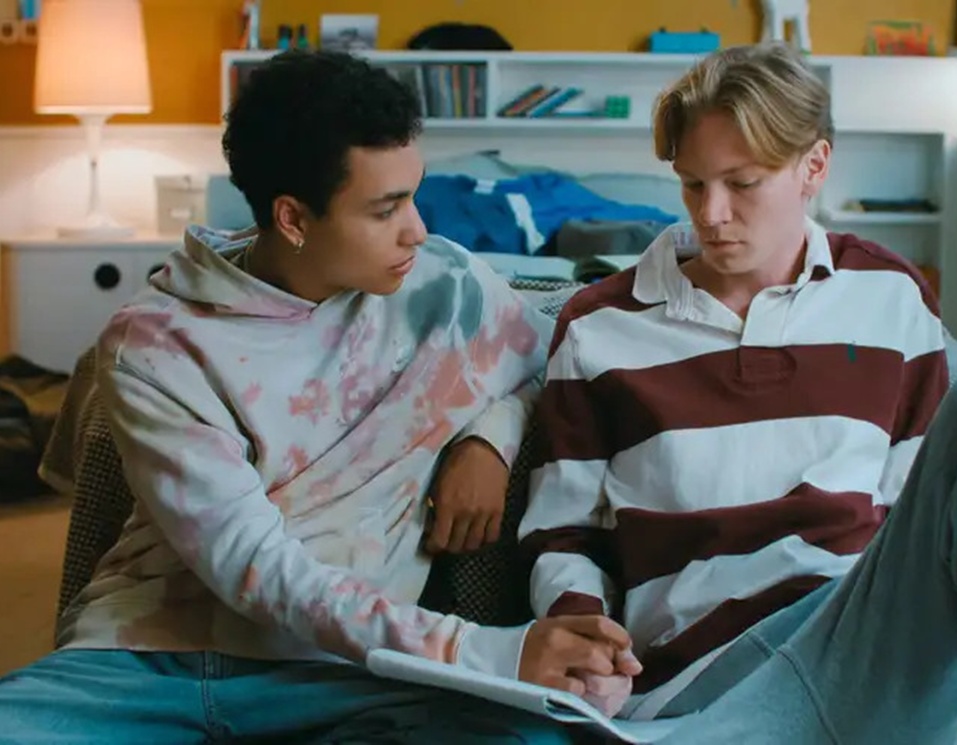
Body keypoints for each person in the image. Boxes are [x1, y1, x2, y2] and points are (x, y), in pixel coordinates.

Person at [0, 50, 638, 743]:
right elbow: (255, 567)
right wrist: (490, 650)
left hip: (349, 674)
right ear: (293, 218)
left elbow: (561, 358)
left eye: (414, 196)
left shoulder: (447, 287)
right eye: (385, 210)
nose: (418, 229)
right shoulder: (156, 345)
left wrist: (492, 434)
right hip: (143, 660)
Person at [519, 41, 957, 743]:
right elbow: (563, 532)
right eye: (693, 184)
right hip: (710, 690)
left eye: (742, 183)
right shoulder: (599, 326)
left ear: (814, 167)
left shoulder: (890, 295)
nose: (712, 214)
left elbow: (916, 512)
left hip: (868, 650)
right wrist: (582, 631)